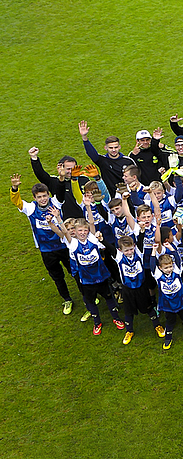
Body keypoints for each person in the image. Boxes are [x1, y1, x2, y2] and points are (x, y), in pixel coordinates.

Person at [46, 205, 124, 335]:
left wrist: (88, 206)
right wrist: (57, 217)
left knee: (109, 297)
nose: (82, 233)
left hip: (101, 275)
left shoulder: (93, 238)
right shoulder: (73, 243)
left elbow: (92, 222)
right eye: (79, 231)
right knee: (90, 301)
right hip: (86, 279)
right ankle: (97, 322)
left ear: (88, 231)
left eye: (85, 230)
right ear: (75, 232)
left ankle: (116, 318)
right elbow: (64, 231)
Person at [10, 174, 77, 314]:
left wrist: (61, 178)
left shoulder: (56, 203)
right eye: (39, 197)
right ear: (34, 198)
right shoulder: (30, 208)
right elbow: (17, 202)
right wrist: (15, 188)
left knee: (74, 271)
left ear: (48, 195)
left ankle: (86, 294)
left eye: (44, 196)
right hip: (46, 250)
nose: (43, 199)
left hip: (64, 245)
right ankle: (67, 299)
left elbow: (60, 190)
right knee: (57, 276)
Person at [114, 235, 164, 344]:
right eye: (126, 250)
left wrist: (141, 232)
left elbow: (140, 240)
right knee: (128, 311)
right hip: (127, 289)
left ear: (134, 247)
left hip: (141, 287)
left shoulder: (138, 253)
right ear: (120, 250)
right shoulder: (118, 257)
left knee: (149, 308)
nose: (129, 252)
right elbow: (109, 248)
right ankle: (129, 331)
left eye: (131, 249)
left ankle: (157, 325)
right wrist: (101, 239)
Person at [150, 243, 183, 350]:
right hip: (167, 302)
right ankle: (168, 338)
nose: (169, 269)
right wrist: (153, 251)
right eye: (166, 267)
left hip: (180, 299)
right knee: (170, 320)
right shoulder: (157, 274)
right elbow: (152, 265)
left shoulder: (177, 270)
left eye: (170, 266)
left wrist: (171, 248)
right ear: (160, 268)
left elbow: (177, 258)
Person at [78, 120, 136, 189]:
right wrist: (84, 137)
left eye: (116, 147)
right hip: (108, 195)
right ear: (106, 148)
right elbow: (91, 153)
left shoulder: (128, 161)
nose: (114, 150)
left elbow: (136, 177)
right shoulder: (102, 160)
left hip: (126, 194)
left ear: (119, 147)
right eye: (111, 148)